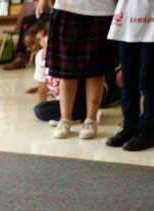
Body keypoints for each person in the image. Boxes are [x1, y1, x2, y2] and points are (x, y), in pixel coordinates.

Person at [37, 0, 118, 139]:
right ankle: (65, 119)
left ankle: (91, 120)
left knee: (96, 70)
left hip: (102, 10)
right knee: (66, 71)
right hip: (68, 8)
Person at [104, 0, 154, 151]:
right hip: (127, 23)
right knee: (128, 80)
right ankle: (129, 127)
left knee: (147, 80)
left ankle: (148, 131)